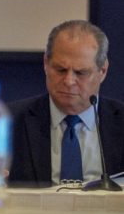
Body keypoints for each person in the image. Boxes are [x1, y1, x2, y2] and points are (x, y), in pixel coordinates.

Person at [8, 20, 124, 187]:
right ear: (46, 64)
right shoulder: (9, 121)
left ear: (103, 71)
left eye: (81, 72)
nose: (69, 81)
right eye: (60, 70)